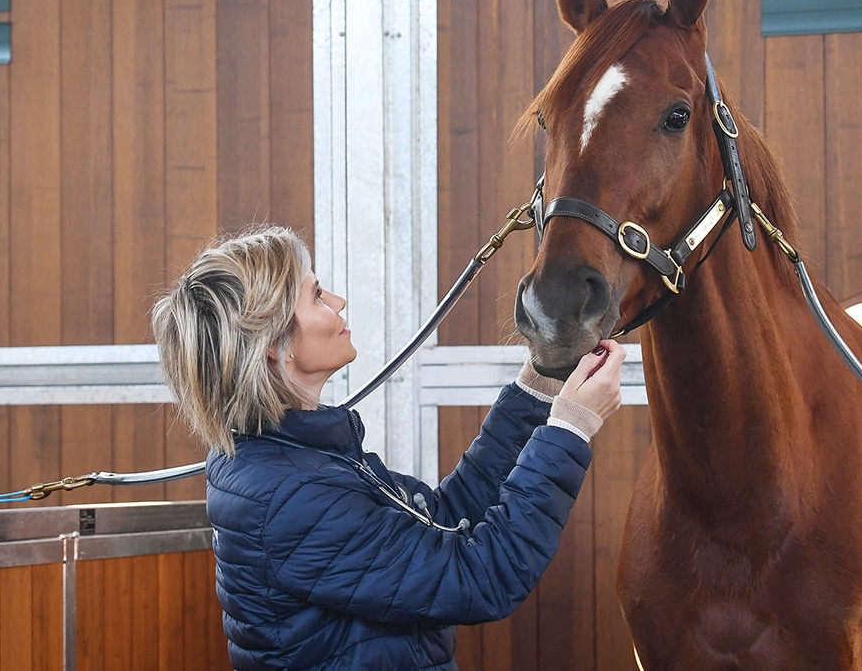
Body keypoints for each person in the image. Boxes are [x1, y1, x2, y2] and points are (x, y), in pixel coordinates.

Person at [151, 224, 626, 670]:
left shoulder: (300, 458)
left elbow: (445, 515)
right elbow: (485, 575)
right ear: (275, 345)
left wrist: (537, 388)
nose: (337, 301)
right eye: (316, 295)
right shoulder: (289, 497)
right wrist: (570, 428)